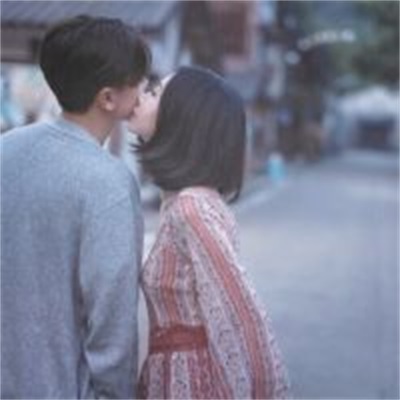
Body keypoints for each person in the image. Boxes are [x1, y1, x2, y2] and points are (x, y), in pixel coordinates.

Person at [1, 15, 150, 399]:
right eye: (137, 79)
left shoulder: (6, 149)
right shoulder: (109, 182)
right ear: (108, 98)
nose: (144, 88)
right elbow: (112, 321)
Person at [129, 66, 290, 399]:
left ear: (182, 119)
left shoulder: (192, 208)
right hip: (170, 374)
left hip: (193, 382)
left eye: (155, 93)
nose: (142, 96)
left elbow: (242, 316)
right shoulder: (180, 202)